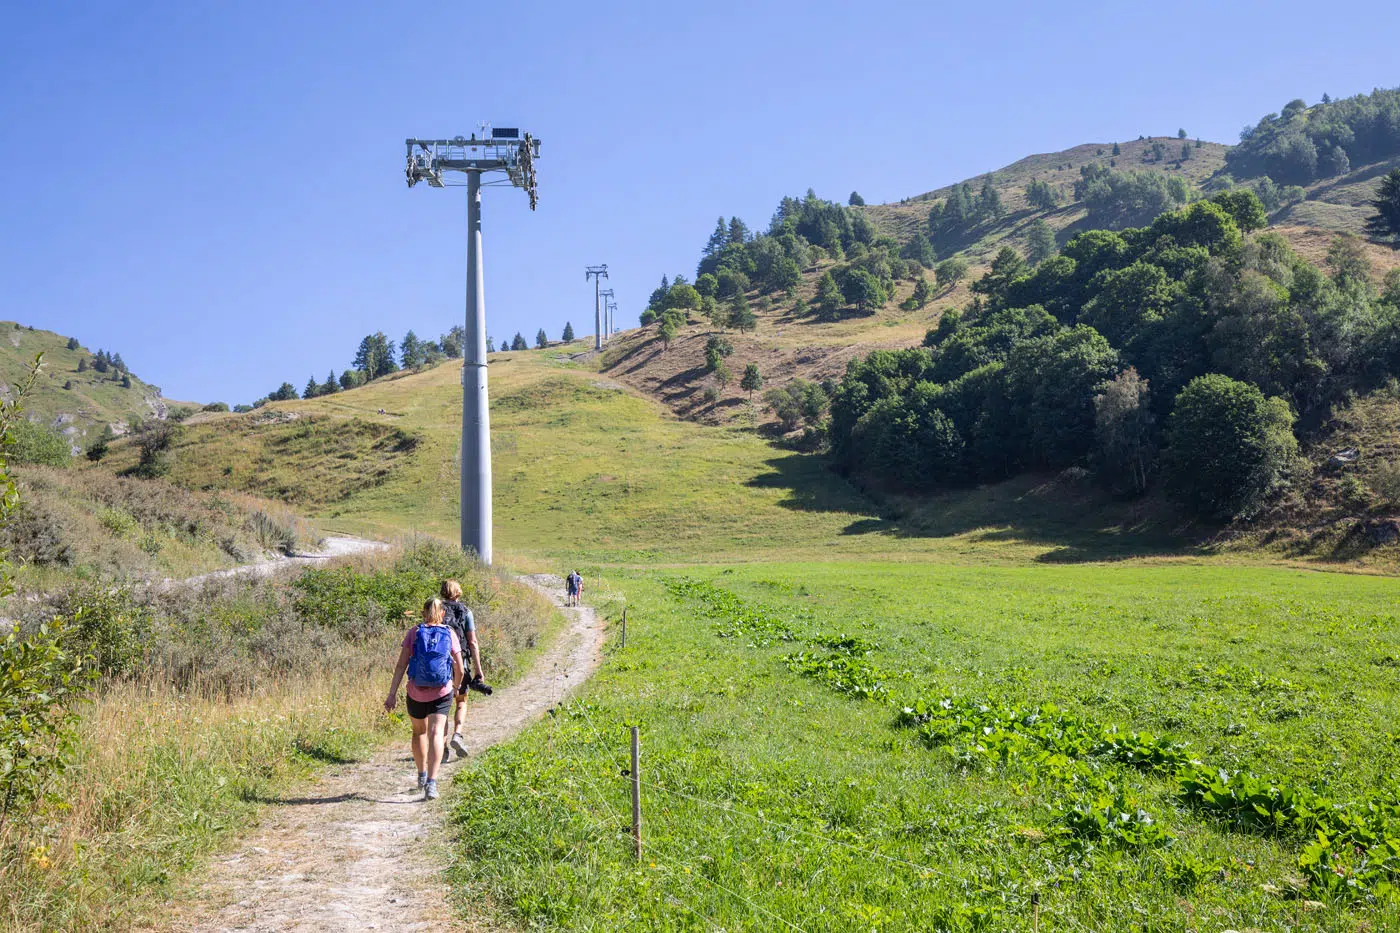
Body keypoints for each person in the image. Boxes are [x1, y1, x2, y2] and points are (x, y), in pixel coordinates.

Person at [385, 597, 463, 800]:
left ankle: (421, 775)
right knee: (436, 733)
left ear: (423, 613)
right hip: (442, 692)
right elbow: (460, 668)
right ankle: (431, 783)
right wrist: (455, 687)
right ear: (443, 614)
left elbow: (401, 665)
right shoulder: (450, 633)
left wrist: (392, 694)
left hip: (415, 692)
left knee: (419, 732)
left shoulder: (414, 632)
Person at [440, 579, 486, 762]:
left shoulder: (436, 609)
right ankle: (457, 734)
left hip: (440, 665)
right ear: (458, 592)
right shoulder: (466, 612)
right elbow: (472, 642)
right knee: (461, 701)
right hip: (461, 664)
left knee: (442, 707)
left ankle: (442, 748)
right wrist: (478, 670)